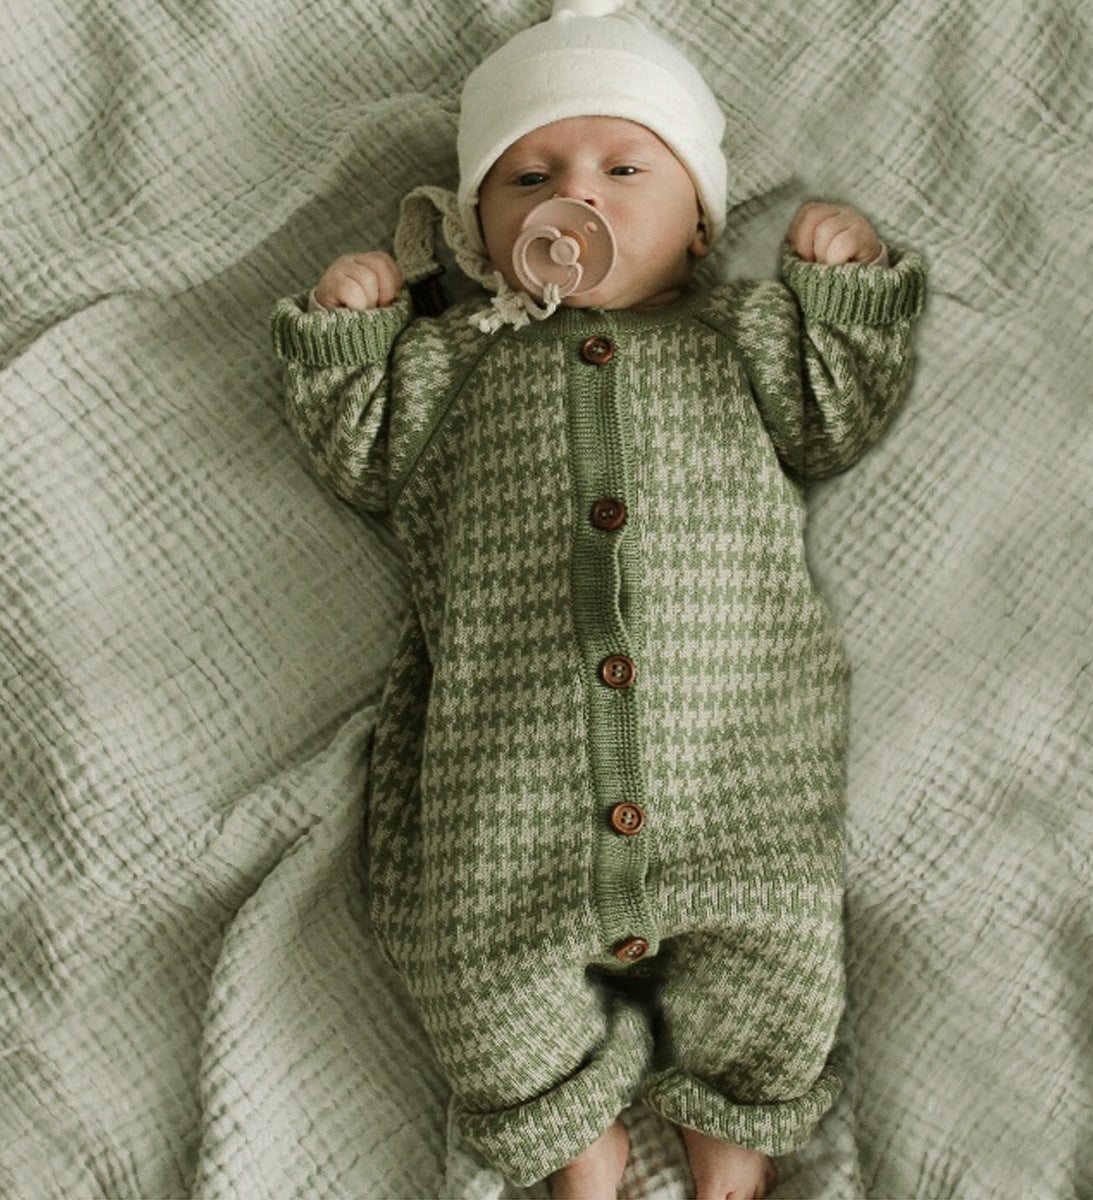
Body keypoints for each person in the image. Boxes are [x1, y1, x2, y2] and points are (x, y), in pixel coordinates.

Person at [271, 2, 925, 1197]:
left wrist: (845, 294)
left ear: (698, 224)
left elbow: (833, 417)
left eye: (626, 169)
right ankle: (574, 1141)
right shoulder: (450, 361)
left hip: (730, 766)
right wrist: (348, 337)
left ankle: (739, 1128)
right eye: (530, 177)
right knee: (472, 967)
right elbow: (362, 455)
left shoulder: (740, 337)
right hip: (509, 788)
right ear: (482, 234)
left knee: (776, 946)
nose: (576, 193)